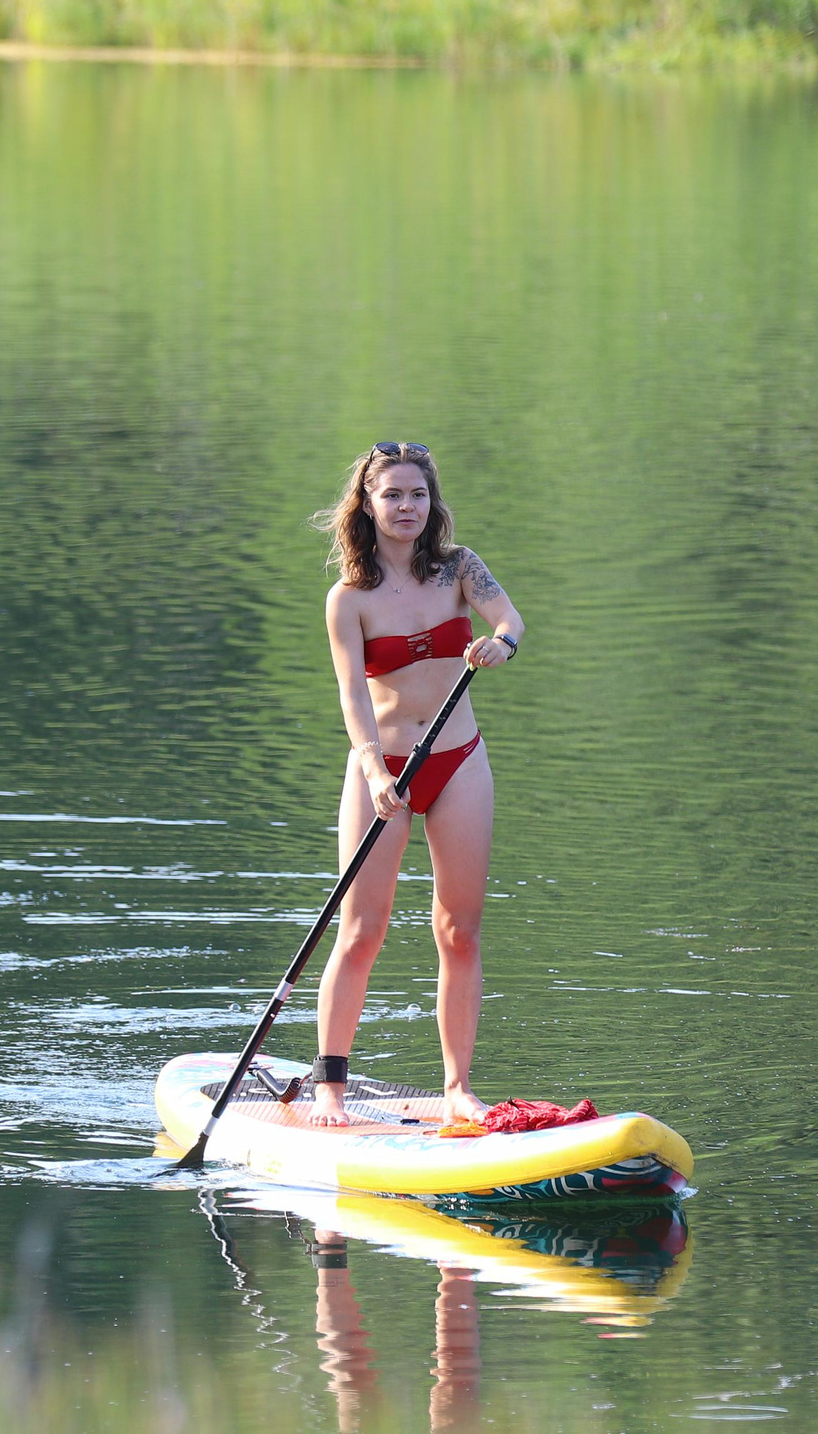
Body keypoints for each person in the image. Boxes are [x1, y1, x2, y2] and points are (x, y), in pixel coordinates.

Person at [308, 441, 522, 1128]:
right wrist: (373, 770)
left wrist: (501, 645)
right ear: (367, 505)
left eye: (418, 495)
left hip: (458, 758)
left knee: (459, 932)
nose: (407, 507)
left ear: (433, 505)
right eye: (393, 495)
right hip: (385, 769)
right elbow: (352, 697)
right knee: (362, 931)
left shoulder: (459, 568)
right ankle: (330, 1089)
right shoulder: (349, 599)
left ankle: (458, 1089)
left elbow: (511, 621)